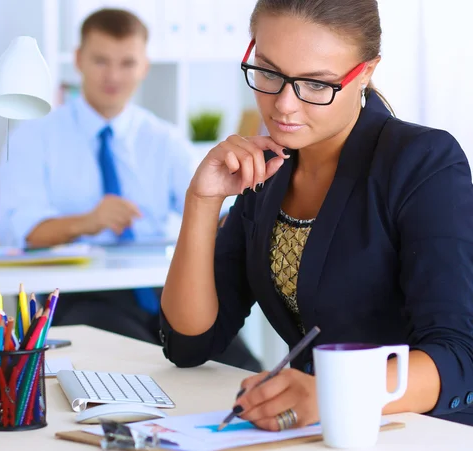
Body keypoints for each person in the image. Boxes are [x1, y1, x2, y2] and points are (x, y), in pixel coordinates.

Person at [160, 0, 473, 430]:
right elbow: (191, 343)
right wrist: (202, 201)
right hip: (316, 430)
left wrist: (333, 394)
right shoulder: (267, 167)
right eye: (269, 72)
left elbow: (457, 358)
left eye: (314, 84)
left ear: (364, 72)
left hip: (420, 430)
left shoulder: (423, 162)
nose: (284, 106)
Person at [0, 8, 262, 373]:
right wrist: (88, 221)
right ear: (78, 61)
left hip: (162, 289)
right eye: (101, 61)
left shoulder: (165, 139)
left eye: (127, 63)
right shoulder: (33, 139)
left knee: (246, 369)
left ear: (144, 67)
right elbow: (19, 233)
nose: (113, 75)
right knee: (142, 368)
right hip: (82, 298)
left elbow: (204, 217)